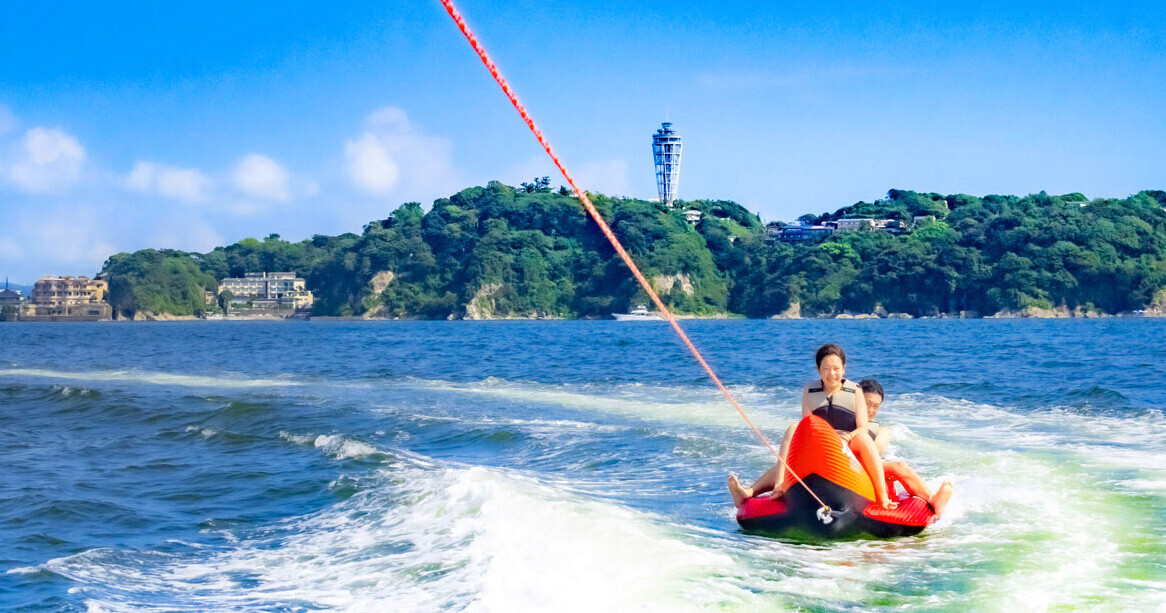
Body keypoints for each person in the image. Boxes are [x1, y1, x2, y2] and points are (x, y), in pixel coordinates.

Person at [729, 344, 898, 510]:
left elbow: (862, 427)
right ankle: (764, 489)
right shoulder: (809, 390)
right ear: (818, 370)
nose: (832, 374)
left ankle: (882, 498)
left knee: (863, 437)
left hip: (847, 445)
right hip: (818, 444)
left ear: (844, 369)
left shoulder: (856, 391)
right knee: (793, 428)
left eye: (836, 368)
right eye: (826, 368)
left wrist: (847, 437)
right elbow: (807, 425)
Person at [858, 379, 953, 516]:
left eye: (876, 406)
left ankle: (932, 500)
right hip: (848, 464)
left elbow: (875, 450)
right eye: (867, 404)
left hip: (870, 466)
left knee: (899, 466)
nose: (871, 410)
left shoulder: (881, 430)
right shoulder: (844, 419)